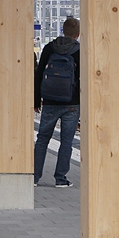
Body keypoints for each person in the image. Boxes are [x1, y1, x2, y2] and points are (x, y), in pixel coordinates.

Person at [33, 16, 81, 188]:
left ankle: (34, 177)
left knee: (42, 139)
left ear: (63, 30)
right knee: (66, 141)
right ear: (77, 34)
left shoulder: (49, 48)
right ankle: (61, 179)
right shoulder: (79, 51)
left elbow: (39, 75)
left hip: (50, 101)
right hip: (72, 103)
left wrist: (37, 99)